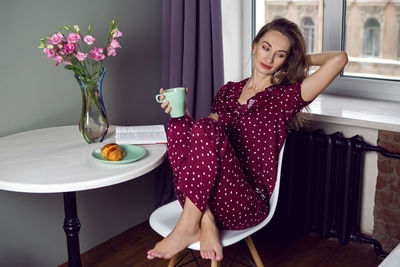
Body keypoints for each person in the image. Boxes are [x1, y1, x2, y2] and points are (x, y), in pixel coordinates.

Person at [147, 18, 348, 262]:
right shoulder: (228, 91)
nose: (270, 58)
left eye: (280, 54)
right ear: (254, 46)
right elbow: (202, 142)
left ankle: (189, 225)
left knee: (205, 127)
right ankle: (205, 220)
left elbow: (339, 59)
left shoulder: (285, 99)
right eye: (266, 48)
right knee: (179, 125)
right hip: (207, 196)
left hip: (245, 203)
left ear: (286, 60)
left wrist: (298, 58)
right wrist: (183, 111)